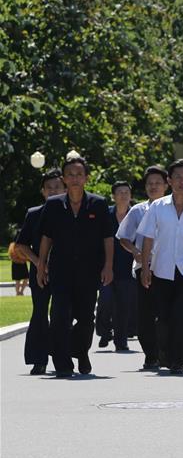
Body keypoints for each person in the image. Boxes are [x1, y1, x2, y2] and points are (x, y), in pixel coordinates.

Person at [37, 155, 115, 377]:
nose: (74, 178)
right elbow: (46, 238)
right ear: (64, 178)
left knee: (85, 318)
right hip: (60, 270)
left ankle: (81, 352)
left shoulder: (98, 204)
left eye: (79, 174)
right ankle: (62, 364)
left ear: (86, 178)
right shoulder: (53, 205)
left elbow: (107, 237)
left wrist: (108, 265)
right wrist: (41, 265)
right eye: (70, 174)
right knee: (60, 316)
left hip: (89, 271)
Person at [137, 159, 183, 374]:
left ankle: (178, 360)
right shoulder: (158, 207)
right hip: (161, 269)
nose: (182, 181)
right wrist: (145, 268)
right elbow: (147, 239)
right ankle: (165, 353)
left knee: (182, 315)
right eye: (178, 177)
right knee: (164, 317)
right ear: (169, 180)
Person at [117, 165, 168, 370]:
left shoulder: (175, 208)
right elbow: (123, 237)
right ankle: (150, 354)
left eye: (158, 183)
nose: (153, 187)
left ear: (166, 185)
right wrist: (136, 252)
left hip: (169, 267)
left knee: (167, 312)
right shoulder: (138, 210)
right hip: (144, 267)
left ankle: (166, 351)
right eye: (150, 184)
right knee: (145, 313)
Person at [14, 168, 65, 375]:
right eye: (49, 188)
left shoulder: (72, 211)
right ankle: (39, 359)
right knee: (40, 313)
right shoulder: (34, 214)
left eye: (57, 187)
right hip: (40, 272)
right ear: (43, 191)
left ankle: (65, 356)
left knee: (63, 314)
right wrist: (38, 263)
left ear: (65, 188)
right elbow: (21, 245)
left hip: (67, 272)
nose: (53, 191)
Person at [96, 181, 136, 351]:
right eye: (119, 192)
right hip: (106, 265)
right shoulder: (106, 215)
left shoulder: (135, 216)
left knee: (123, 304)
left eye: (126, 192)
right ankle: (104, 332)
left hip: (128, 266)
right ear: (113, 196)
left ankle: (121, 340)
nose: (123, 195)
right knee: (105, 300)